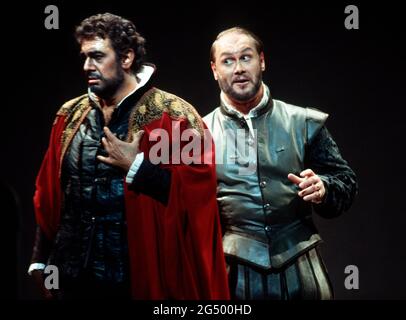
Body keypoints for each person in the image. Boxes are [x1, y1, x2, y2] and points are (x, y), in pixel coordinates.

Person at [28, 13, 229, 300]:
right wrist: (39, 259)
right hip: (69, 281)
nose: (87, 66)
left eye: (97, 56)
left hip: (135, 282)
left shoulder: (174, 115)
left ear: (126, 58)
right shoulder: (69, 116)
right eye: (84, 57)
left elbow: (197, 199)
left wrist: (138, 167)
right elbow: (50, 195)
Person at [203, 27, 358, 300]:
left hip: (301, 267)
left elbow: (346, 183)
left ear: (262, 61)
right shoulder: (198, 134)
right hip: (232, 275)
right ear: (215, 70)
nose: (238, 68)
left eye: (246, 57)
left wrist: (324, 187)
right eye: (227, 61)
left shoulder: (304, 122)